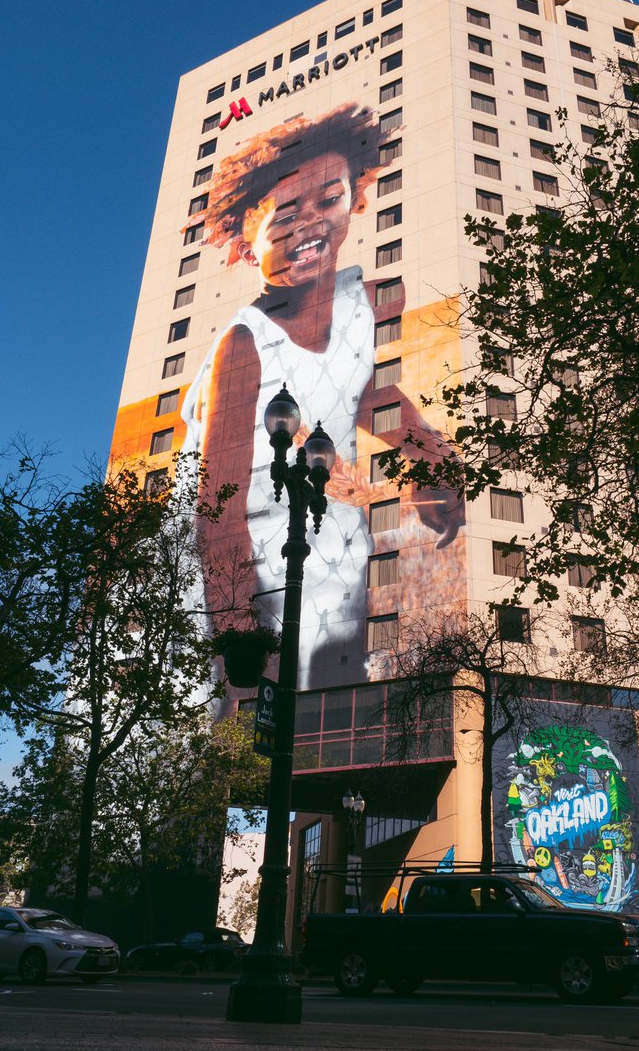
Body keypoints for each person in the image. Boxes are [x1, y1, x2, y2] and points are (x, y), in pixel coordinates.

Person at [181, 103, 463, 691]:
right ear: (243, 243)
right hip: (244, 562)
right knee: (253, 736)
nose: (311, 224)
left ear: (355, 201)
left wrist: (430, 457)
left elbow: (366, 392)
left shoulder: (360, 303)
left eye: (328, 200)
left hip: (329, 544)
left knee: (330, 704)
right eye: (285, 213)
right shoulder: (243, 344)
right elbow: (218, 507)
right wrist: (236, 629)